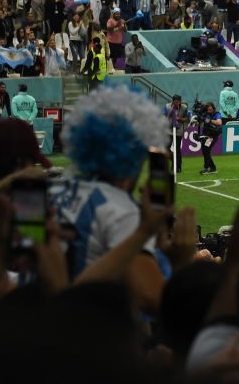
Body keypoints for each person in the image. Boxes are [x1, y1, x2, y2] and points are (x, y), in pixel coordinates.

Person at [48, 86, 169, 313]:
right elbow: (152, 298)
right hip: (88, 332)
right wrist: (179, 260)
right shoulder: (120, 209)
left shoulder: (49, 191)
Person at [163, 95, 190, 174]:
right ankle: (174, 162)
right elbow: (163, 116)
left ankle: (178, 167)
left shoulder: (184, 107)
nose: (177, 103)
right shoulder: (167, 106)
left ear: (180, 101)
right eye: (175, 102)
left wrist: (180, 119)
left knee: (177, 149)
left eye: (178, 101)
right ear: (173, 101)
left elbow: (187, 118)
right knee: (166, 148)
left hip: (179, 130)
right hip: (169, 129)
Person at [197, 102, 222, 175]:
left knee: (206, 149)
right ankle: (213, 168)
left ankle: (207, 167)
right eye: (207, 109)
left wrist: (210, 120)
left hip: (212, 136)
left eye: (210, 109)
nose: (209, 110)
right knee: (205, 150)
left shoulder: (217, 114)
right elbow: (201, 120)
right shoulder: (205, 114)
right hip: (206, 135)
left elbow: (219, 122)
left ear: (213, 108)